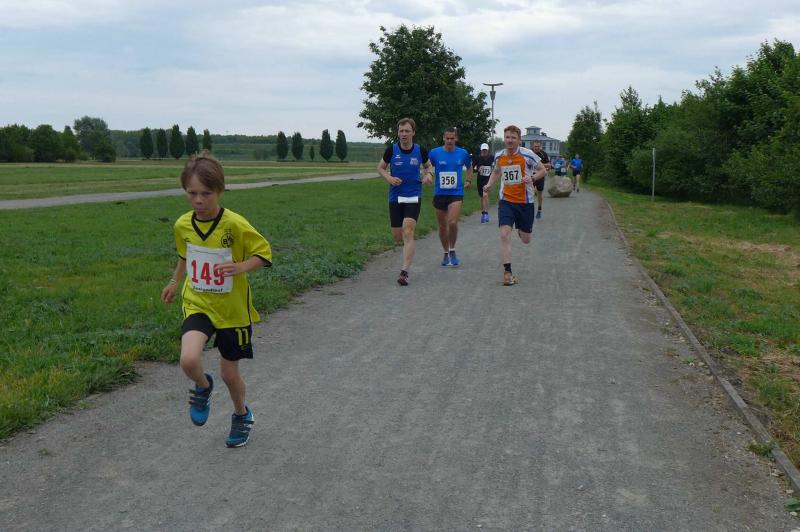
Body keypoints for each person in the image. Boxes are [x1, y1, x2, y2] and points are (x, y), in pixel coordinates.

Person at [161, 150, 272, 448]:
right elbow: (185, 255)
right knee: (188, 360)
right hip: (198, 301)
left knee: (229, 374)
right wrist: (174, 281)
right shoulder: (182, 225)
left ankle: (242, 415)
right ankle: (202, 385)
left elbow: (264, 253)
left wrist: (241, 267)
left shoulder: (234, 224)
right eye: (192, 193)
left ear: (220, 190)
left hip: (232, 311)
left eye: (206, 194)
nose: (198, 200)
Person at [483, 125, 547, 286]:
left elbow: (543, 170)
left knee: (526, 239)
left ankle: (521, 230)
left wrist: (532, 178)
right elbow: (496, 171)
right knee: (504, 234)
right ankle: (507, 272)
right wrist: (489, 185)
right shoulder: (499, 155)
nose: (510, 140)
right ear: (504, 138)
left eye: (513, 138)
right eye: (507, 137)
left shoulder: (527, 154)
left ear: (519, 140)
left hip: (525, 202)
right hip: (506, 201)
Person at [377, 117, 433, 286]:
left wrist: (429, 175)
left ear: (413, 133)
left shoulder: (420, 150)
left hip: (413, 195)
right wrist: (389, 178)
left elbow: (429, 166)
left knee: (408, 231)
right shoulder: (391, 150)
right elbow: (380, 168)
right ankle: (408, 247)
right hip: (395, 196)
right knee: (397, 235)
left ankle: (404, 272)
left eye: (407, 131)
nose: (404, 134)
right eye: (401, 131)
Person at [429, 127, 472, 266]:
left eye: (452, 138)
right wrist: (428, 175)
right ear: (443, 138)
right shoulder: (434, 153)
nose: (449, 141)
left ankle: (452, 249)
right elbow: (427, 166)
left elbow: (469, 167)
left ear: (456, 138)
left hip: (456, 192)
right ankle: (445, 252)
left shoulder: (463, 153)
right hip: (439, 193)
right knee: (442, 226)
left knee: (452, 222)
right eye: (447, 138)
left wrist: (468, 180)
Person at [472, 142, 494, 224]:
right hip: (480, 180)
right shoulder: (477, 158)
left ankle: (486, 213)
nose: (484, 151)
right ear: (481, 150)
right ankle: (483, 213)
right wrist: (478, 169)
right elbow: (472, 169)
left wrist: (493, 169)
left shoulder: (492, 158)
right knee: (482, 197)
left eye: (485, 150)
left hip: (488, 180)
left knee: (485, 195)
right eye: (483, 150)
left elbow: (495, 167)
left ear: (488, 150)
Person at [531, 141, 552, 219]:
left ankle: (539, 209)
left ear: (540, 147)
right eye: (535, 146)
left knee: (539, 193)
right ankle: (529, 210)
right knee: (530, 192)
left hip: (540, 175)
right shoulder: (529, 153)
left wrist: (539, 165)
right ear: (532, 146)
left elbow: (549, 166)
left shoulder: (543, 154)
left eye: (538, 146)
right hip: (531, 175)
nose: (536, 148)